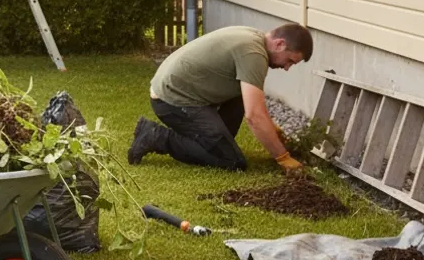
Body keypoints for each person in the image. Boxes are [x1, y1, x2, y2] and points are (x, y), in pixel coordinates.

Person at [128, 24, 314, 171]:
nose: (287, 67)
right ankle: (156, 136)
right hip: (171, 100)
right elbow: (254, 116)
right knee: (231, 160)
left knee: (223, 137)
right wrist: (283, 157)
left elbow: (254, 102)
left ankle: (209, 140)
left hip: (183, 92)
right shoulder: (253, 54)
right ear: (280, 44)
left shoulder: (254, 38)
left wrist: (274, 132)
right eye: (290, 61)